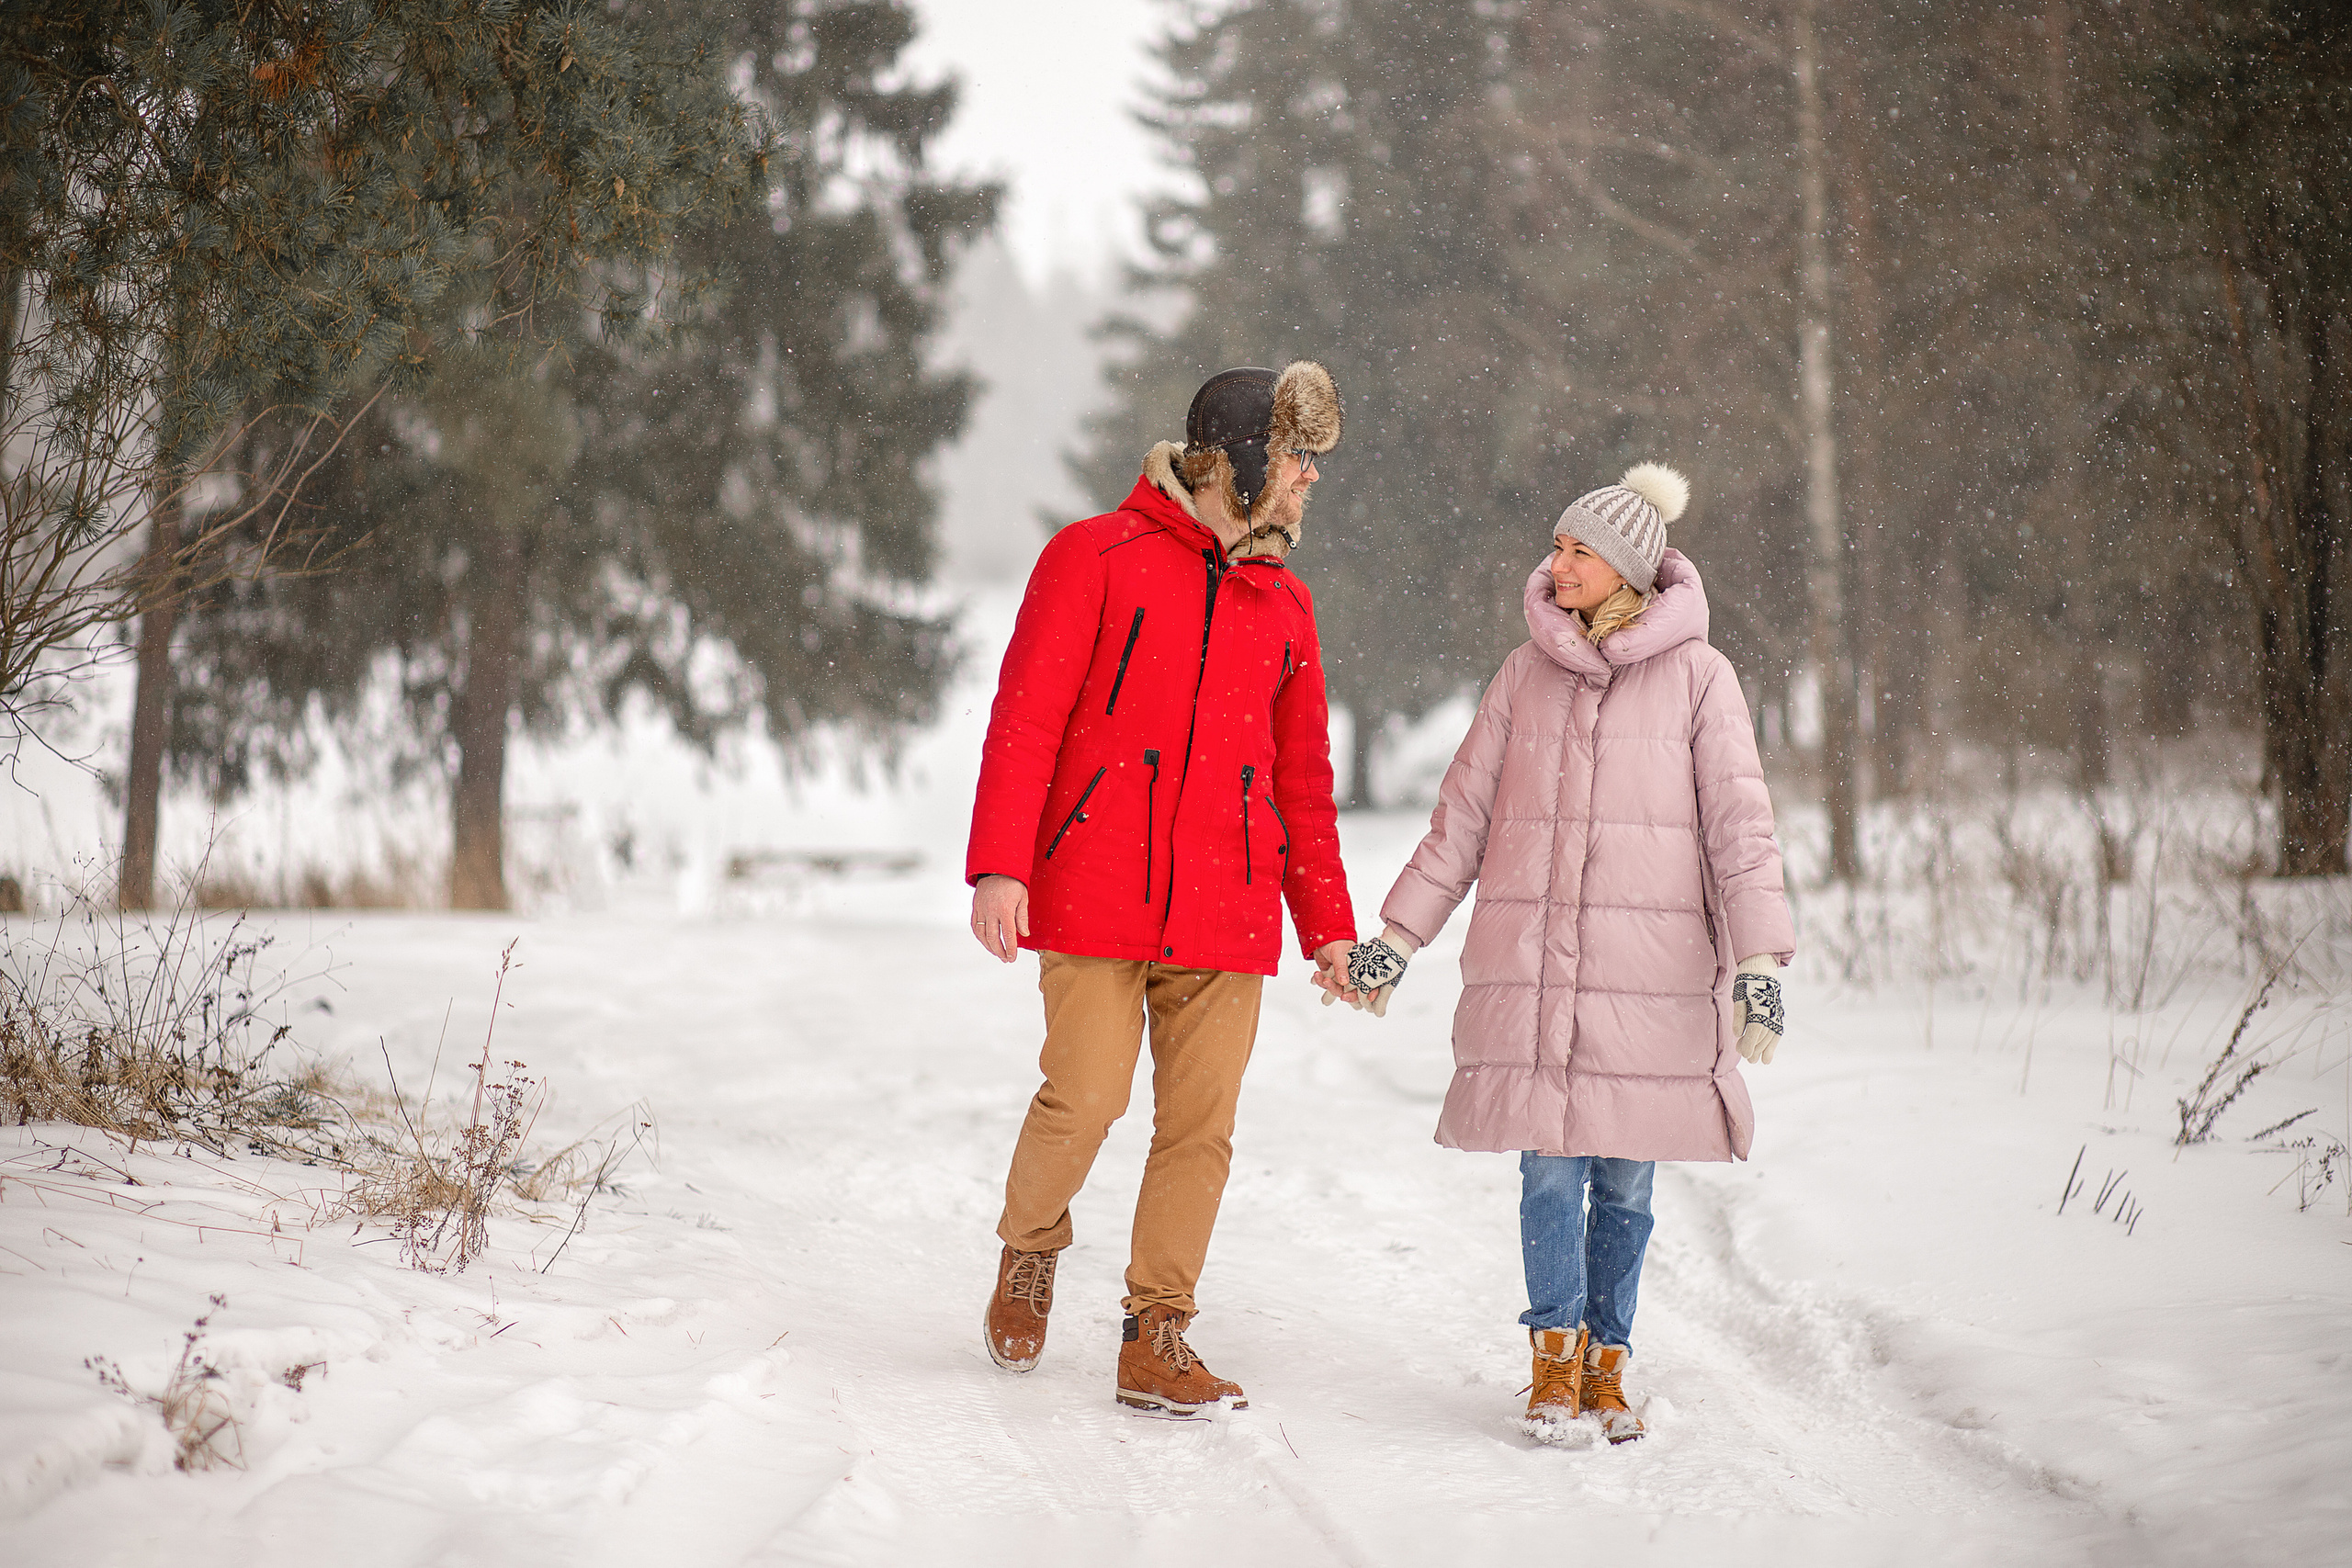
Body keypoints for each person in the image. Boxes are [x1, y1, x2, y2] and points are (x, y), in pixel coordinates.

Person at [1341, 463, 1792, 1444]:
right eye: (1556, 545)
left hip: (1653, 976)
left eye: (1577, 549)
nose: (1557, 562)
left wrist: (1760, 961)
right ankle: (1551, 1358)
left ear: (1626, 566)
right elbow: (1460, 818)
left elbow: (1740, 832)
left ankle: (1607, 1360)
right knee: (1549, 1170)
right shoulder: (1523, 674)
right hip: (1539, 968)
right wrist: (1395, 937)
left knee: (1626, 1179)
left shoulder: (1700, 681)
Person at [966, 362, 1357, 1415]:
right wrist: (1000, 864)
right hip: (1094, 885)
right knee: (1085, 1098)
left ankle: (1157, 1333)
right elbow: (1027, 721)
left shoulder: (1285, 602)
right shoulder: (1092, 556)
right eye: (1292, 457)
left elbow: (1301, 784)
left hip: (1226, 907)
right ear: (1232, 461)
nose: (1309, 478)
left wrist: (1328, 931)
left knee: (1199, 1129)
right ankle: (1031, 1245)